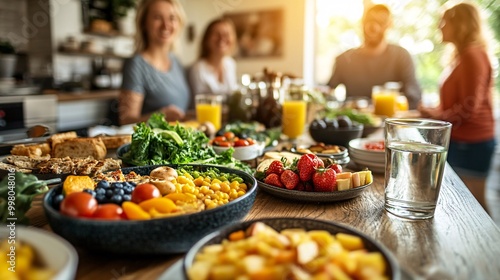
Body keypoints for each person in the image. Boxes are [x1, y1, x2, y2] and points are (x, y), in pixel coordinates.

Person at [418, 2, 495, 212]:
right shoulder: (462, 56)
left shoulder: (472, 55)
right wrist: (433, 111)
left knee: (474, 204)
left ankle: (490, 244)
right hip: (463, 140)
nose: (440, 26)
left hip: (472, 143)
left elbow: (468, 108)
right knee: (465, 205)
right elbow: (457, 103)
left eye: (445, 21)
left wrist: (435, 115)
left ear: (460, 25)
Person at [327, 4, 421, 109]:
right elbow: (327, 92)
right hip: (355, 122)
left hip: (388, 121)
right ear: (362, 23)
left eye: (381, 21)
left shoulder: (401, 56)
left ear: (389, 25)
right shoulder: (344, 59)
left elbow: (414, 97)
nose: (373, 27)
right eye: (369, 20)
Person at [118, 0, 190, 125]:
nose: (166, 25)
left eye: (172, 18)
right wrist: (160, 116)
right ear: (144, 23)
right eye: (157, 17)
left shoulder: (176, 61)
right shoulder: (136, 64)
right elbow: (126, 121)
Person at [188, 18, 238, 96]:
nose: (222, 38)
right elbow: (200, 101)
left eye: (226, 34)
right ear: (207, 39)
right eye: (217, 34)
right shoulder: (198, 69)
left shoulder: (230, 63)